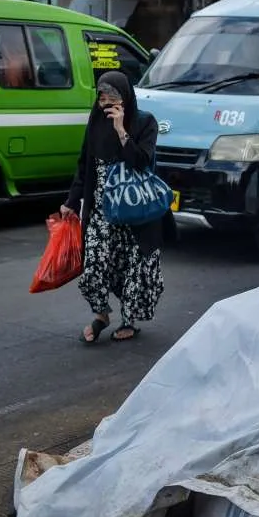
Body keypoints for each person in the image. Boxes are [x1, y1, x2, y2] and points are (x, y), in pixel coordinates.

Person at [64, 71, 163, 344]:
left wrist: (121, 131)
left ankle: (129, 321)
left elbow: (141, 161)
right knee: (93, 265)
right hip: (102, 212)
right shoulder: (95, 121)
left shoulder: (145, 122)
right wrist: (71, 202)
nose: (106, 102)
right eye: (102, 96)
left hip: (134, 213)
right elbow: (85, 164)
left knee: (132, 269)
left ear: (125, 97)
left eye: (112, 96)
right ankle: (102, 314)